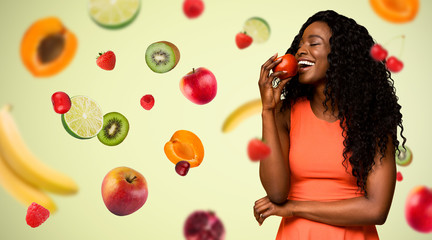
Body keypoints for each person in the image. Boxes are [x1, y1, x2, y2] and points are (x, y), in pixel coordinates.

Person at [253, 10, 406, 239]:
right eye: (300, 44)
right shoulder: (284, 113)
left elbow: (377, 209)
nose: (301, 51)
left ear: (341, 56)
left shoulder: (373, 118)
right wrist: (268, 110)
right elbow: (276, 193)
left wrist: (294, 208)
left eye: (313, 43)